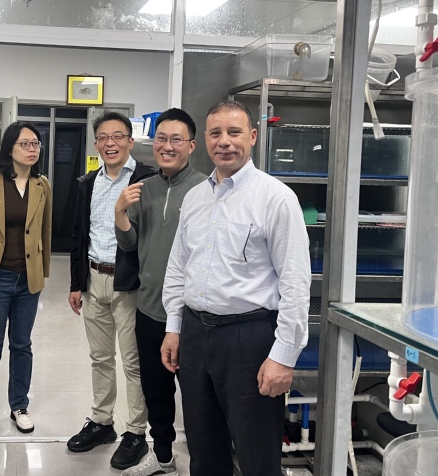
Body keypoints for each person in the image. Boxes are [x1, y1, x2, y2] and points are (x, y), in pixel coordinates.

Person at [161, 100, 311, 476]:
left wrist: (284, 356)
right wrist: (174, 327)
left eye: (234, 132)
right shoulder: (195, 198)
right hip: (195, 334)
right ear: (205, 140)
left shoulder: (276, 199)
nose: (224, 141)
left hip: (250, 339)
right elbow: (178, 266)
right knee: (203, 447)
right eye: (216, 133)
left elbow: (295, 282)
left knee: (256, 452)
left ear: (253, 136)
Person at [114, 108, 207, 476]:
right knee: (156, 391)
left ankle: (206, 462)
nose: (167, 146)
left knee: (198, 396)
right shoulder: (145, 188)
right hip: (150, 308)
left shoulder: (206, 189)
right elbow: (129, 244)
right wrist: (121, 212)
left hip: (193, 315)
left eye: (176, 140)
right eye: (161, 139)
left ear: (191, 146)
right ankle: (164, 456)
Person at [67, 111, 156, 470]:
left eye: (118, 136)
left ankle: (136, 432)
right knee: (100, 358)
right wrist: (76, 284)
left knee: (134, 362)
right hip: (93, 279)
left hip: (129, 284)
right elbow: (79, 234)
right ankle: (102, 422)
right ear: (96, 144)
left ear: (130, 141)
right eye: (103, 138)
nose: (110, 143)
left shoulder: (147, 180)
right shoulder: (88, 182)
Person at [0, 121, 52, 436]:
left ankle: (19, 406)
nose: (31, 149)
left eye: (35, 143)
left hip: (28, 279)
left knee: (22, 344)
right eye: (24, 143)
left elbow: (46, 231)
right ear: (9, 148)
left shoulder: (42, 185)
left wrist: (42, 272)